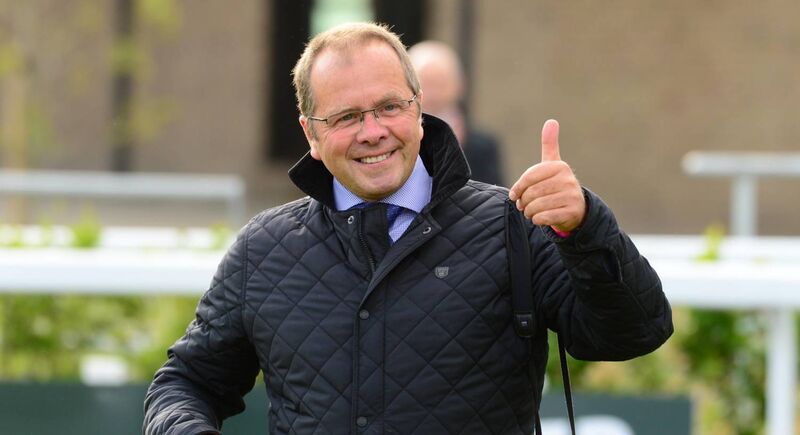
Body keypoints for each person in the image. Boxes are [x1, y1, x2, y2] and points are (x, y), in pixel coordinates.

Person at [143, 22, 672, 435]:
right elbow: (187, 383)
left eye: (389, 107)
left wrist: (585, 225)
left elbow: (635, 332)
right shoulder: (264, 248)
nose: (372, 132)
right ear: (310, 135)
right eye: (345, 117)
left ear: (420, 111)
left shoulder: (513, 226)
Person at [408, 40, 505, 185]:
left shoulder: (483, 145)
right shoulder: (395, 137)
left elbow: (496, 192)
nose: (433, 93)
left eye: (440, 83)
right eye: (426, 83)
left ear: (460, 85)